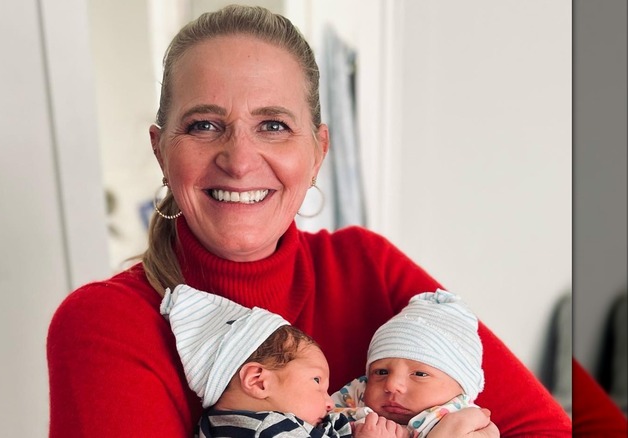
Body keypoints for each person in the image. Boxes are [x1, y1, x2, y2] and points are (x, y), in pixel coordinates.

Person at [47, 5, 625, 437]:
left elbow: (549, 428)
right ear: (160, 148)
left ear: (318, 149)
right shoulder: (106, 325)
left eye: (273, 124)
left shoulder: (366, 267)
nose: (240, 160)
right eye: (203, 125)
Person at [160, 283, 406, 438]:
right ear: (258, 381)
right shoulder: (263, 429)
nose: (328, 402)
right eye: (317, 381)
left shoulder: (217, 425)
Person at [332, 290, 489, 438]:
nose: (392, 385)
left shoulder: (469, 427)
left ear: (462, 387)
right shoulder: (345, 406)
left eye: (420, 374)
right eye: (381, 372)